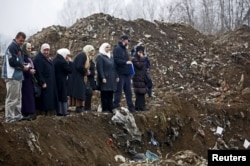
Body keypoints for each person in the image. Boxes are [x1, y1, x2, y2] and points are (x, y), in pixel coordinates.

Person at [1, 32, 30, 123]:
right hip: (12, 76)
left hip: (17, 76)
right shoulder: (12, 47)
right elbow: (12, 62)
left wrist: (23, 65)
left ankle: (17, 116)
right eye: (21, 40)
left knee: (17, 98)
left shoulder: (18, 48)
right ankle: (9, 118)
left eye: (23, 41)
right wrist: (23, 67)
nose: (22, 42)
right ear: (16, 38)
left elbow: (18, 61)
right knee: (12, 98)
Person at [33, 43, 58, 116]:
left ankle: (48, 114)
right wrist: (42, 82)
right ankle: (43, 115)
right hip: (44, 83)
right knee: (44, 100)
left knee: (48, 99)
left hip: (50, 82)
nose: (46, 52)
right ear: (41, 50)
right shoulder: (38, 59)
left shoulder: (46, 58)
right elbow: (38, 72)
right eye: (45, 50)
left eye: (48, 50)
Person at [113, 35, 136, 112]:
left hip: (127, 74)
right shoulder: (117, 49)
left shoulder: (125, 50)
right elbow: (116, 60)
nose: (128, 42)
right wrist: (125, 62)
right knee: (119, 91)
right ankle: (115, 105)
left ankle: (131, 107)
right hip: (120, 73)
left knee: (128, 91)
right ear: (123, 40)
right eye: (127, 40)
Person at [70, 45, 95, 113]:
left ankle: (82, 106)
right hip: (77, 76)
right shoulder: (82, 55)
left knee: (83, 91)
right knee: (79, 91)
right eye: (91, 51)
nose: (93, 52)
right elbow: (79, 66)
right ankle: (78, 107)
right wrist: (86, 71)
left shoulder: (86, 57)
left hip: (80, 76)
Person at [96, 43, 118, 113]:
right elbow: (100, 68)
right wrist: (103, 77)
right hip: (105, 77)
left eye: (109, 47)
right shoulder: (100, 57)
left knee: (110, 93)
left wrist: (117, 76)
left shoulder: (111, 57)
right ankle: (105, 108)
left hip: (111, 78)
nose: (109, 48)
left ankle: (110, 107)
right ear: (103, 48)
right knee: (105, 93)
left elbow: (114, 68)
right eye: (107, 47)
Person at [53, 48, 73, 116]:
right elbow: (70, 70)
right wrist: (70, 62)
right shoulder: (62, 61)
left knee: (59, 95)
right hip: (62, 80)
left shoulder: (55, 60)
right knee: (63, 95)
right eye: (67, 55)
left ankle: (59, 110)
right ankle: (63, 111)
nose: (68, 56)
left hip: (56, 80)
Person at [21, 42, 36, 119]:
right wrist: (29, 71)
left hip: (29, 79)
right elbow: (23, 67)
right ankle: (26, 112)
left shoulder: (29, 57)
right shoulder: (23, 57)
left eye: (30, 48)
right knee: (26, 96)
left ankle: (30, 112)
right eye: (28, 48)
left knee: (29, 96)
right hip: (25, 80)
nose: (30, 50)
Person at [132, 46, 148, 111]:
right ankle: (139, 106)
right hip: (137, 78)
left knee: (142, 92)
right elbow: (139, 66)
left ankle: (141, 106)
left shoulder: (142, 59)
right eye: (140, 52)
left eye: (142, 52)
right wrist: (142, 58)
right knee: (139, 93)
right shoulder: (134, 59)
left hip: (142, 77)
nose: (141, 54)